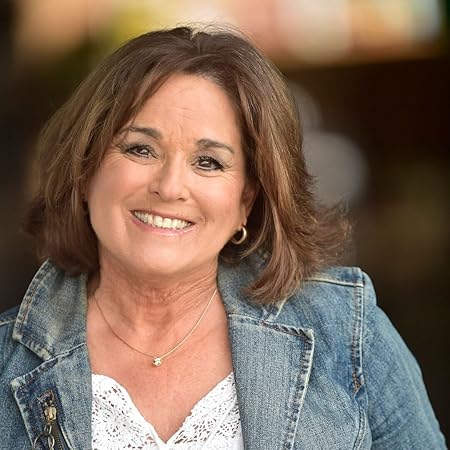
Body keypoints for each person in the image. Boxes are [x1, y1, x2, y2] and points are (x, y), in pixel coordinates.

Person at [0, 25, 445, 450]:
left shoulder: (345, 330)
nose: (170, 187)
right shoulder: (7, 361)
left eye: (208, 162)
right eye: (140, 149)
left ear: (246, 200)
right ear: (85, 170)